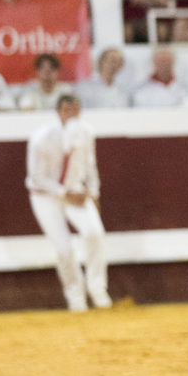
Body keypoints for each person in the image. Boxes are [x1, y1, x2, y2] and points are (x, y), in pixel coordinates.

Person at [25, 93, 111, 311]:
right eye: (67, 110)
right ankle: (75, 296)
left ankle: (98, 289)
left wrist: (94, 194)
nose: (72, 115)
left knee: (94, 233)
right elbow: (36, 177)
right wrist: (63, 193)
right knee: (64, 247)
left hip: (75, 191)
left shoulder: (86, 132)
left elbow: (90, 165)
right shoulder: (42, 137)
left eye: (75, 110)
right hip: (45, 195)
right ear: (58, 112)